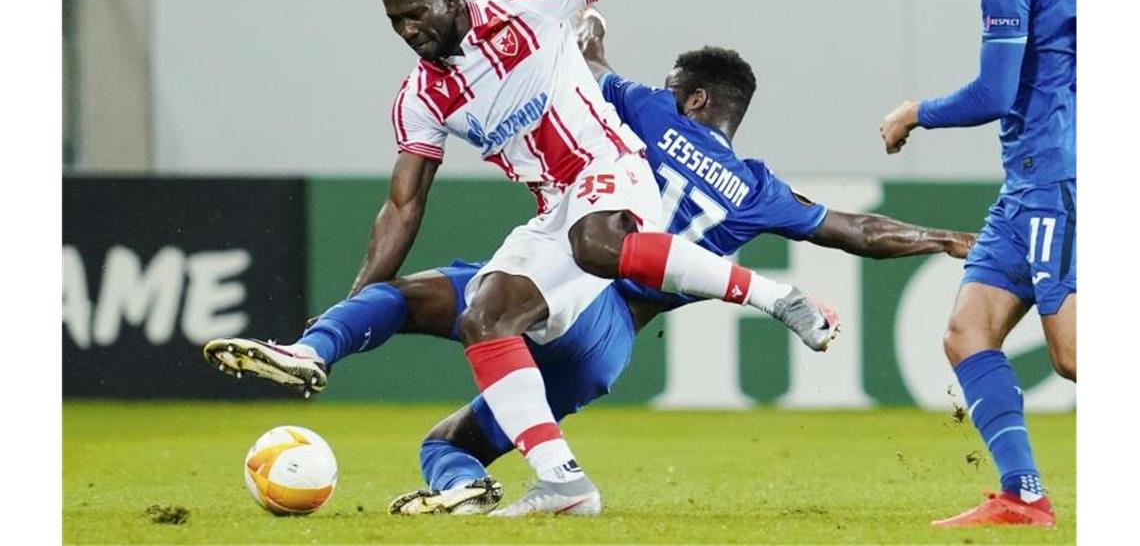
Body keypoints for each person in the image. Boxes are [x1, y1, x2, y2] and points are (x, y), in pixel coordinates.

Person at [209, 0, 830, 517]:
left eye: (417, 14)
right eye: (395, 23)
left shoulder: (524, 8)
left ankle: (775, 297)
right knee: (483, 315)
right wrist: (352, 302)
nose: (409, 32)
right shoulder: (420, 97)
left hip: (614, 175)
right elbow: (401, 208)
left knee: (594, 242)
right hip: (554, 212)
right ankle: (323, 355)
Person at [208, 27, 976, 516]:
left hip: (578, 284)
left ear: (693, 96)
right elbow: (860, 230)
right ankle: (466, 493)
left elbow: (592, 73)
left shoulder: (649, 112)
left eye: (677, 83)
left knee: (402, 298)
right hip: (607, 351)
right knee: (448, 444)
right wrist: (942, 238)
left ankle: (313, 348)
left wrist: (590, 34)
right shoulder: (757, 189)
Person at [878, 0, 1075, 529]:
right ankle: (1023, 495)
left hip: (1051, 176)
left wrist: (913, 112)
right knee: (967, 332)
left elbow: (995, 92)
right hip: (1039, 175)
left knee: (1076, 357)